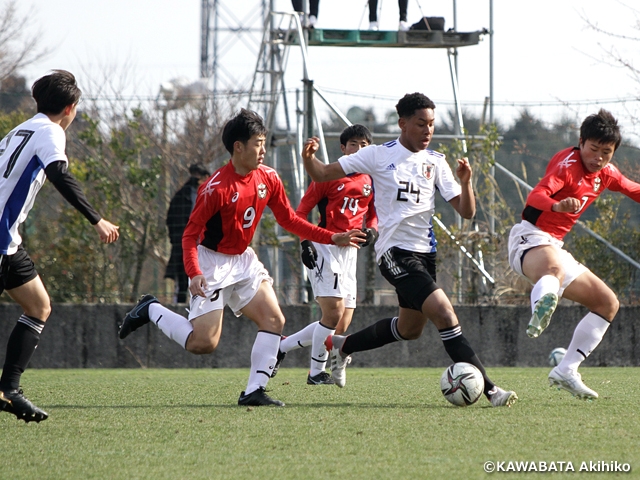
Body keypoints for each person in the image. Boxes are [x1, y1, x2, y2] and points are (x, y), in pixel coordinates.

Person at [118, 109, 364, 407]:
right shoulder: (216, 188)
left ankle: (253, 391)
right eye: (258, 143)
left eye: (264, 142)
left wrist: (329, 237)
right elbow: (189, 235)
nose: (263, 149)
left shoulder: (268, 178)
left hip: (244, 261)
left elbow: (289, 219)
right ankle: (151, 309)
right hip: (212, 263)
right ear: (238, 146)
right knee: (203, 344)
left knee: (274, 319)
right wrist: (194, 272)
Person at [300, 92, 518, 407]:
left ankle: (343, 345)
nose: (428, 130)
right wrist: (309, 159)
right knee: (445, 314)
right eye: (420, 124)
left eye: (431, 124)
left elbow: (466, 212)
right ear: (403, 123)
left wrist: (467, 183)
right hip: (393, 252)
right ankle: (492, 390)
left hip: (425, 255)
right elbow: (322, 173)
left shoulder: (436, 162)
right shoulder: (377, 155)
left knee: (409, 329)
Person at [0, 70, 120, 422]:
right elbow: (59, 173)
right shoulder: (51, 131)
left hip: (8, 240)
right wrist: (96, 219)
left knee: (39, 306)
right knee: (38, 307)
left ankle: (9, 389)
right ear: (70, 108)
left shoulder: (19, 129)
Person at [508, 109, 640, 400]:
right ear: (581, 143)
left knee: (607, 303)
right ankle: (539, 308)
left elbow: (634, 189)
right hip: (529, 236)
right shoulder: (567, 166)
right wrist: (556, 206)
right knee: (552, 270)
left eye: (606, 152)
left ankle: (567, 369)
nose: (599, 158)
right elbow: (536, 196)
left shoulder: (605, 174)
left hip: (554, 245)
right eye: (593, 149)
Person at [273, 124, 378, 385]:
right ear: (343, 148)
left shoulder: (369, 180)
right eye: (354, 144)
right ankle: (316, 373)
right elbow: (299, 213)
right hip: (324, 247)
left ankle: (281, 348)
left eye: (364, 145)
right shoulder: (327, 176)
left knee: (339, 325)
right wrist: (305, 242)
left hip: (350, 253)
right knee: (332, 313)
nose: (359, 149)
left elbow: (374, 213)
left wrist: (373, 231)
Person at [165, 162, 211, 303]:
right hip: (185, 242)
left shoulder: (208, 194)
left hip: (204, 243)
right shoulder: (183, 196)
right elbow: (172, 219)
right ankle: (181, 303)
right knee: (183, 276)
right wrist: (177, 239)